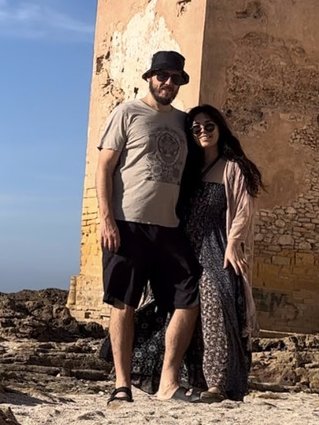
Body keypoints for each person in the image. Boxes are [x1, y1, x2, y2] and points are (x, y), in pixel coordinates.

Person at [97, 51, 202, 404]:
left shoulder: (184, 122)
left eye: (176, 78)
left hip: (169, 228)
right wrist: (106, 218)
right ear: (150, 77)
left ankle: (168, 383)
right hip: (127, 224)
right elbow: (104, 168)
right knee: (123, 304)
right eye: (163, 76)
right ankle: (122, 385)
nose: (169, 83)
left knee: (188, 298)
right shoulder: (126, 112)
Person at [181, 105, 262, 402]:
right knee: (183, 309)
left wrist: (233, 242)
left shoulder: (232, 167)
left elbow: (243, 210)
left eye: (209, 126)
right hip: (185, 249)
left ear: (220, 128)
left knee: (216, 300)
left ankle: (217, 383)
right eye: (196, 128)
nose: (203, 131)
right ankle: (189, 378)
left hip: (217, 246)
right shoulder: (188, 167)